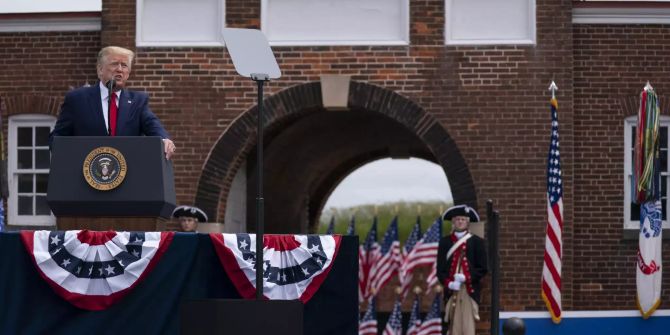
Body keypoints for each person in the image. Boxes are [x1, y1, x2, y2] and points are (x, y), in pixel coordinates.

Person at [49, 46, 176, 159]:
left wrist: (164, 140)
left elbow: (152, 124)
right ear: (100, 70)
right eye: (114, 64)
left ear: (128, 73)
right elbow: (57, 139)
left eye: (124, 65)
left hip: (126, 175)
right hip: (86, 175)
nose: (119, 69)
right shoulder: (77, 99)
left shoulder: (138, 101)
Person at [436, 204, 488, 335]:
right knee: (454, 327)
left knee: (468, 327)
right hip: (452, 291)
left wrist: (467, 277)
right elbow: (440, 271)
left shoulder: (477, 242)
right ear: (453, 221)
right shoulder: (445, 242)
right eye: (457, 219)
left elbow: (483, 268)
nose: (460, 222)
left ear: (468, 222)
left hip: (469, 290)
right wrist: (449, 283)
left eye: (463, 219)